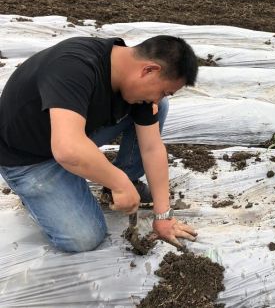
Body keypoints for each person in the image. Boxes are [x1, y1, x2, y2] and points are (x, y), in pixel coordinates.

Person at [0, 35, 199, 252]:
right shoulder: (74, 66)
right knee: (84, 238)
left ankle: (112, 179)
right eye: (163, 91)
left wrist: (163, 216)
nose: (158, 98)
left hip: (71, 134)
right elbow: (66, 149)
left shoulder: (132, 80)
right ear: (149, 70)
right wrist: (118, 182)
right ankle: (39, 195)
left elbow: (151, 147)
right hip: (27, 157)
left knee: (157, 110)